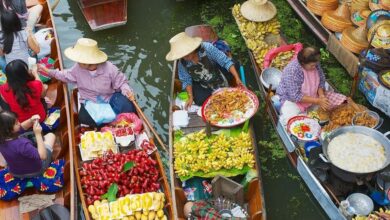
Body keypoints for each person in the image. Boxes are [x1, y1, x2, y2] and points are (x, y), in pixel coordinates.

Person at [38, 38, 136, 127]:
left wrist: (127, 91)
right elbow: (65, 75)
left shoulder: (109, 68)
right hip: (91, 101)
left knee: (128, 106)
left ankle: (112, 122)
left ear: (87, 62)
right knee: (84, 119)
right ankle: (113, 123)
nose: (77, 62)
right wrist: (48, 71)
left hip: (109, 98)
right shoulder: (77, 68)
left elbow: (122, 83)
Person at [166, 32, 242, 109]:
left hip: (217, 71)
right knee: (200, 101)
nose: (184, 58)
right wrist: (190, 97)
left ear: (192, 49)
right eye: (182, 56)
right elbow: (186, 80)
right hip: (202, 81)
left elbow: (225, 61)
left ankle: (232, 81)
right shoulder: (181, 63)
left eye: (187, 55)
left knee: (235, 64)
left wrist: (237, 78)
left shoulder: (207, 48)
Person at [276, 46, 346, 124]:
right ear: (303, 63)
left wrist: (321, 96)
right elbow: (295, 96)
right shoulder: (292, 71)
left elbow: (321, 80)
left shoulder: (315, 63)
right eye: (312, 65)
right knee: (294, 122)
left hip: (313, 95)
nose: (315, 66)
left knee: (332, 106)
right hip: (292, 101)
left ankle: (310, 111)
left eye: (316, 64)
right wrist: (317, 101)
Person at [0, 111, 55, 178]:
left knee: (27, 135)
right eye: (16, 123)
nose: (19, 123)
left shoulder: (4, 135)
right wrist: (38, 134)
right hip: (36, 171)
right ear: (9, 130)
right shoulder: (22, 144)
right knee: (50, 135)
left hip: (14, 172)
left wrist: (30, 120)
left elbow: (21, 127)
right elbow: (43, 156)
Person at [0, 59, 46, 124]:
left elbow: (7, 103)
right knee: (44, 95)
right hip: (39, 118)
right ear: (24, 73)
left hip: (20, 123)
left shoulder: (2, 89)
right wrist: (35, 73)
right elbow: (43, 95)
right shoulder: (36, 84)